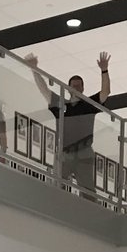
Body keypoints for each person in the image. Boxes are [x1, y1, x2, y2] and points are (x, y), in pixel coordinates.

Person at [26, 52, 111, 197]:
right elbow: (44, 90)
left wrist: (104, 70)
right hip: (65, 152)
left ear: (83, 88)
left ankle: (90, 216)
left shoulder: (88, 105)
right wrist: (34, 69)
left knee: (88, 192)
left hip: (84, 151)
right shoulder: (61, 104)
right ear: (68, 88)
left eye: (79, 86)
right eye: (74, 86)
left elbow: (105, 92)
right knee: (57, 186)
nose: (76, 89)